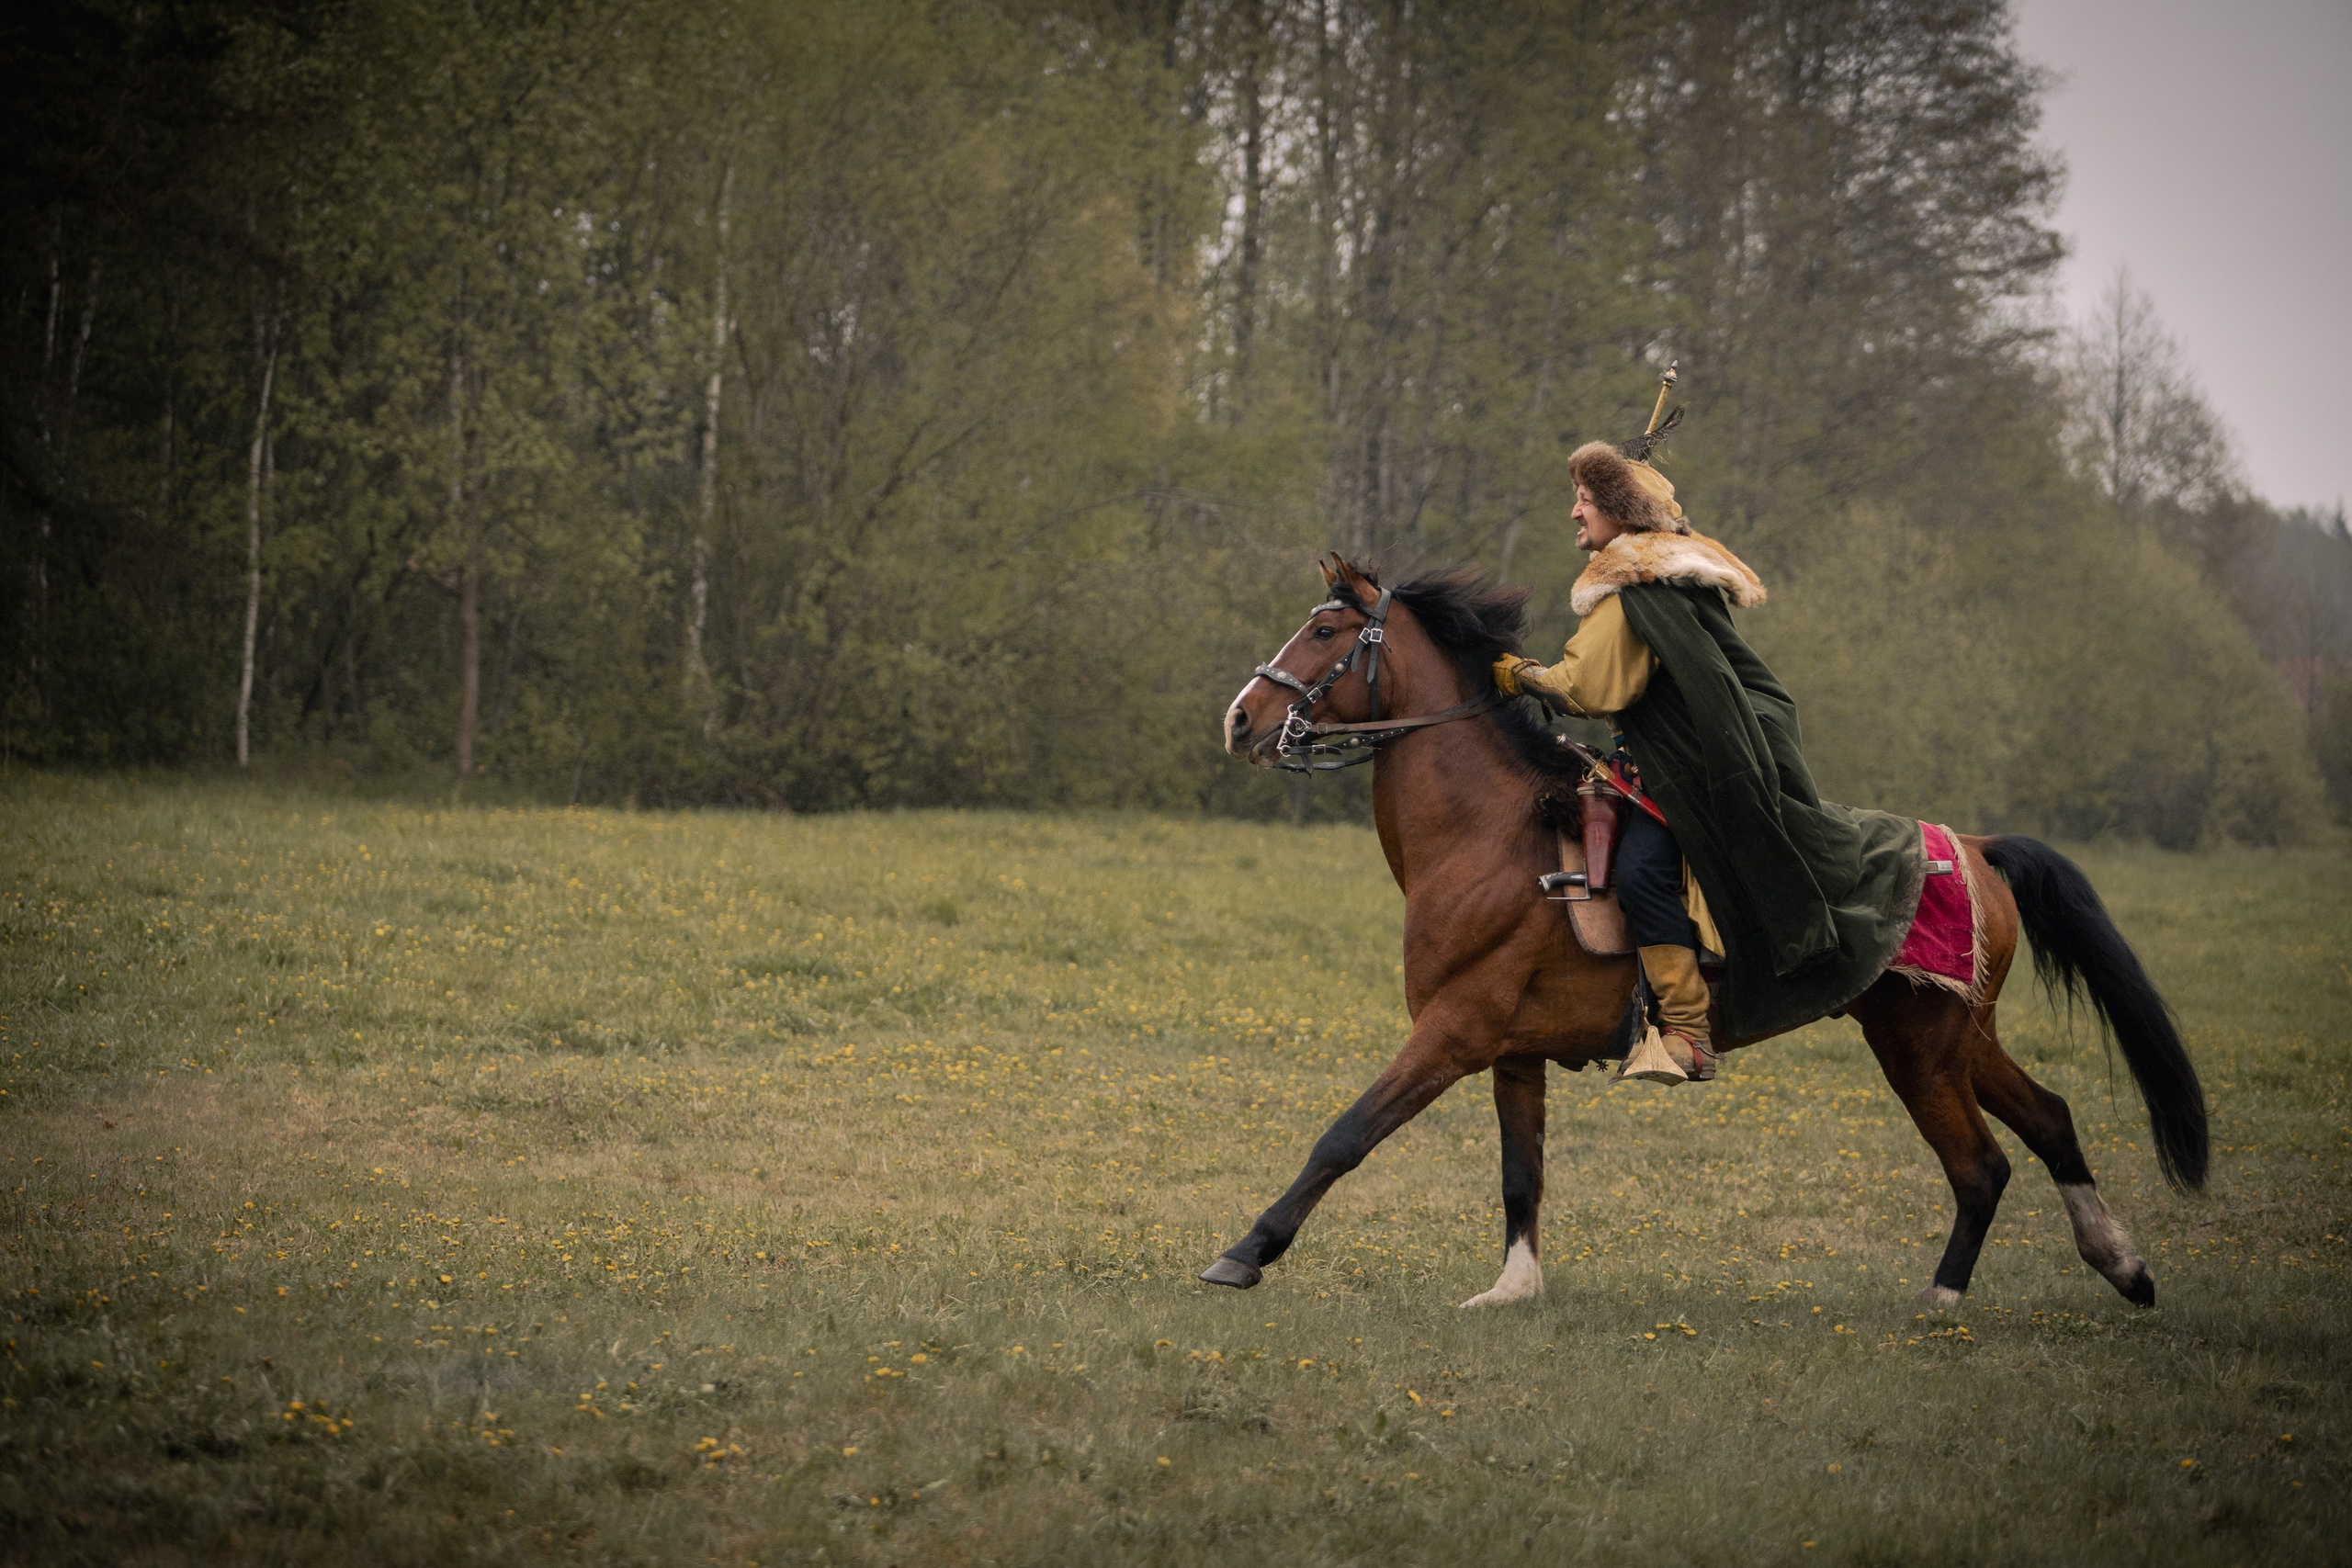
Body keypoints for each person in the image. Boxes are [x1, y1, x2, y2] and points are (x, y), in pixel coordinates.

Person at [1491, 409, 1926, 1080]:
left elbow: (1586, 686)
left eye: (1584, 501)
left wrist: (1516, 674)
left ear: (1618, 511)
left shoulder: (1637, 589)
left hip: (1687, 778)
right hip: (1658, 768)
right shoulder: (1653, 585)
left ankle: (1689, 1033)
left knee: (1640, 874)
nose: (1575, 515)